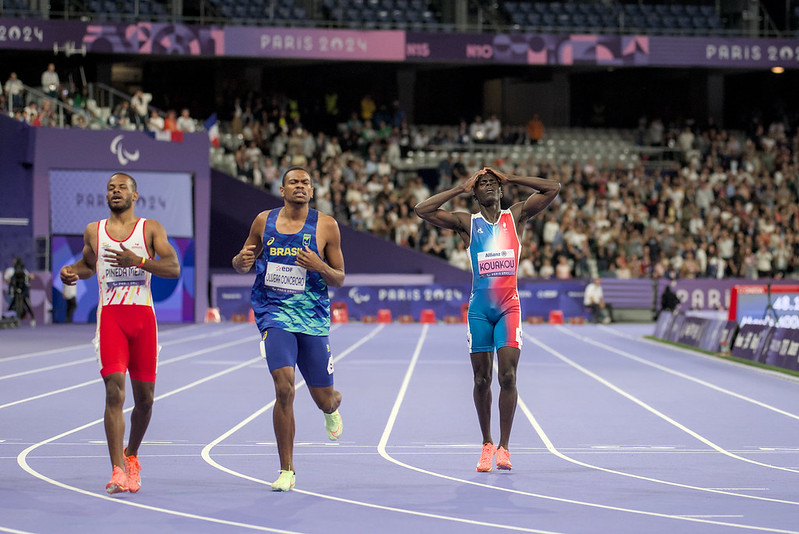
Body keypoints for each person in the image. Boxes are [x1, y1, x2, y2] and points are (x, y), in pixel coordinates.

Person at [414, 167, 560, 472]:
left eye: (494, 182)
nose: (490, 185)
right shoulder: (468, 223)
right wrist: (459, 189)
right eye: (484, 184)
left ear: (502, 190)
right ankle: (487, 443)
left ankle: (505, 447)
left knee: (507, 376)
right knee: (481, 379)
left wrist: (514, 178)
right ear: (476, 193)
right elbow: (422, 210)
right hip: (479, 310)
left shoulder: (516, 216)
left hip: (509, 307)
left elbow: (552, 188)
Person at [59, 172, 180, 495]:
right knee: (115, 392)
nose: (115, 192)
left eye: (121, 187)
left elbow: (173, 268)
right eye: (111, 188)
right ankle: (116, 470)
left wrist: (138, 260)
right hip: (111, 317)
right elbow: (89, 265)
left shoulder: (150, 228)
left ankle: (132, 457)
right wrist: (72, 273)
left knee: (146, 401)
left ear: (134, 195)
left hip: (143, 319)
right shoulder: (94, 231)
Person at [232, 166, 346, 492]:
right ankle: (287, 469)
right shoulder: (262, 222)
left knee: (326, 399)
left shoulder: (326, 226)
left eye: (305, 182)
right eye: (293, 182)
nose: (299, 186)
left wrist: (319, 265)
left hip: (312, 318)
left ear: (312, 190)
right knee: (284, 388)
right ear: (282, 190)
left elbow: (339, 277)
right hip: (274, 314)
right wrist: (241, 261)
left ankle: (330, 410)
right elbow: (243, 262)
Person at [4, 257, 35, 326]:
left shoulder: (24, 271)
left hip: (23, 292)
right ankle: (8, 320)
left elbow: (28, 280)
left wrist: (29, 277)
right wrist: (12, 284)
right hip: (13, 292)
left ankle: (32, 319)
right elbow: (6, 279)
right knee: (11, 305)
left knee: (27, 304)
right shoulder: (10, 271)